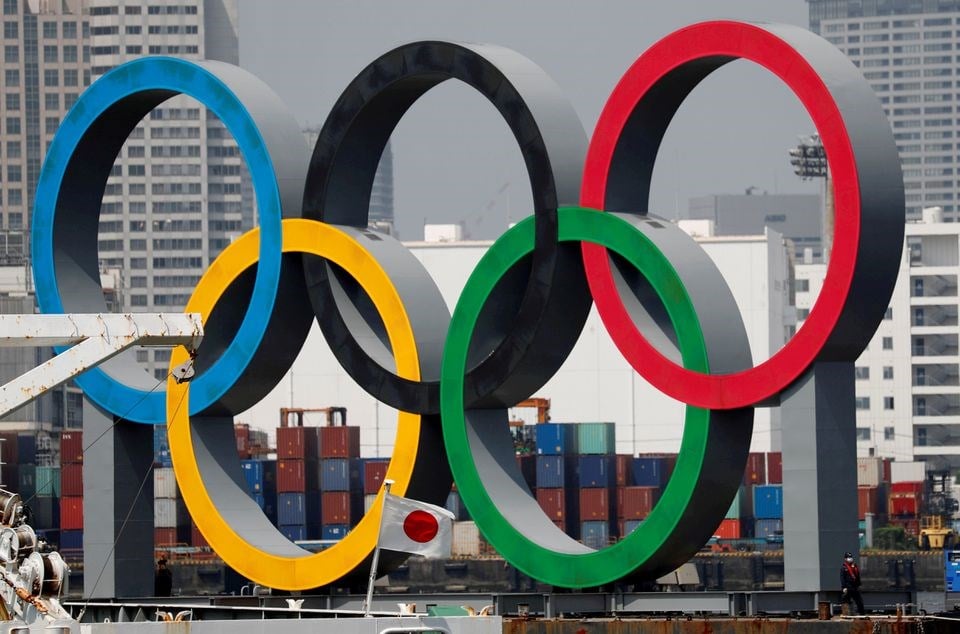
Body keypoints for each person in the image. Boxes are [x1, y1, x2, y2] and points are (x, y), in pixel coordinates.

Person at [840, 551, 864, 615]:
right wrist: (844, 587)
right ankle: (846, 614)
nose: (850, 558)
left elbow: (857, 576)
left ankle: (861, 614)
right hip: (848, 588)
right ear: (845, 559)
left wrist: (859, 585)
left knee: (859, 601)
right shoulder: (843, 568)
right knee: (845, 601)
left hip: (855, 587)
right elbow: (842, 579)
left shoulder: (854, 567)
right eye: (848, 557)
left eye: (850, 557)